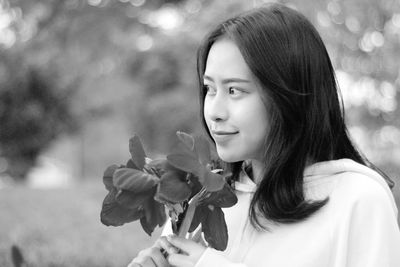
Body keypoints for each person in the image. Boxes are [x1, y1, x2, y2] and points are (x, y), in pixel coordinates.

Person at [128, 3, 400, 267]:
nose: (214, 112)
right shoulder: (201, 194)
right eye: (210, 89)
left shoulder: (358, 199)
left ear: (288, 96)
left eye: (235, 90)